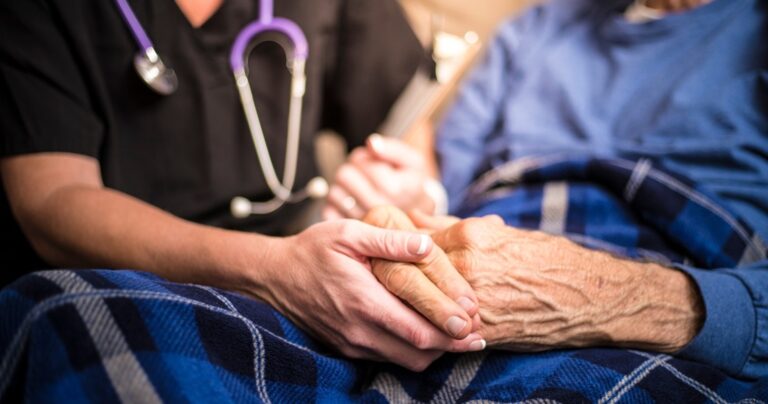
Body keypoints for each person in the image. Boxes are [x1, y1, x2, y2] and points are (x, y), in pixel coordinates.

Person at [0, 0, 488, 371]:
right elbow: (51, 200)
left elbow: (402, 126)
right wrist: (277, 272)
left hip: (314, 279)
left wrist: (413, 191)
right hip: (117, 288)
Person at [327, 0, 768, 379]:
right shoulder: (534, 27)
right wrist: (416, 199)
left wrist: (607, 298)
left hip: (681, 284)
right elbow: (449, 187)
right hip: (482, 264)